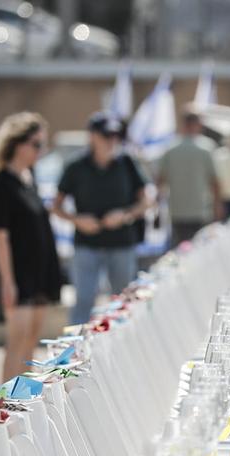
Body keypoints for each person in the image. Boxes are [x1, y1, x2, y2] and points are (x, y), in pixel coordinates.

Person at [0, 112, 63, 380]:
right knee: (16, 342)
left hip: (39, 269)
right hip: (18, 272)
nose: (40, 151)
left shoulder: (30, 176)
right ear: (18, 144)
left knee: (31, 342)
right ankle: (5, 405)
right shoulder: (2, 182)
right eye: (36, 144)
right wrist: (7, 281)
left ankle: (24, 403)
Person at [53, 111, 153, 326]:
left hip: (121, 244)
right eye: (106, 136)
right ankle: (75, 352)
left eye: (115, 136)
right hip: (86, 245)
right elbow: (56, 206)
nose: (112, 141)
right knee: (84, 301)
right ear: (92, 136)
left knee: (123, 302)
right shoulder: (76, 166)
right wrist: (77, 220)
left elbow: (146, 201)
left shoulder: (127, 163)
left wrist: (125, 216)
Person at [156, 109, 224, 248]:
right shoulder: (207, 147)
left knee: (179, 254)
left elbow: (160, 181)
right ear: (198, 125)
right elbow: (215, 181)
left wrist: (158, 207)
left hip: (177, 210)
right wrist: (218, 206)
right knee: (201, 251)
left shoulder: (170, 148)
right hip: (201, 210)